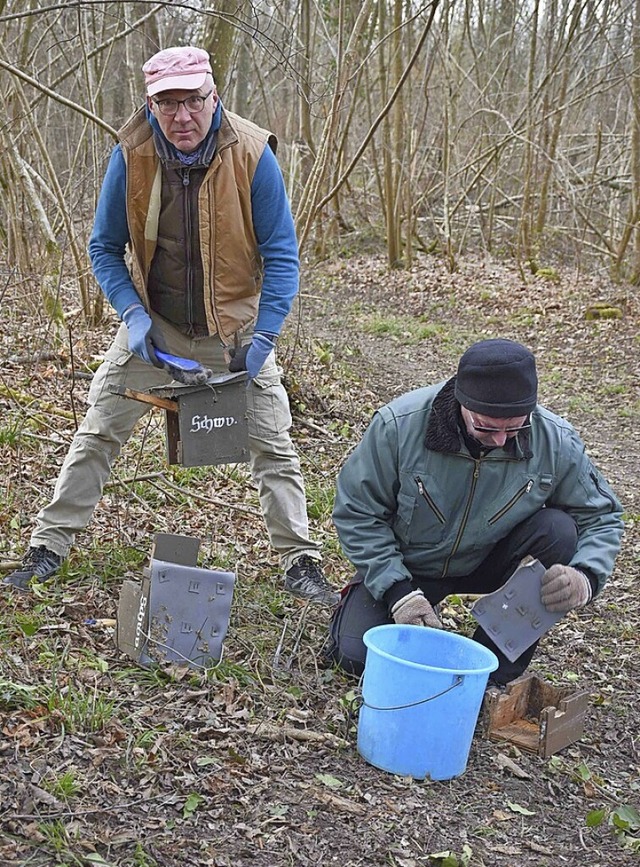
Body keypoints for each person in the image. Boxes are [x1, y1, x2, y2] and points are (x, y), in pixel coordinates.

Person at [4, 45, 339, 606]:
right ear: (150, 104)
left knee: (274, 447)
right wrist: (133, 315)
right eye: (167, 104)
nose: (183, 116)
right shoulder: (131, 154)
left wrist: (265, 336)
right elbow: (104, 247)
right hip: (154, 328)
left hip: (235, 331)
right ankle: (48, 547)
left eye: (193, 101)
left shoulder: (253, 155)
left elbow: (282, 255)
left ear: (214, 96)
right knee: (98, 431)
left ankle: (300, 561)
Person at [326, 338, 623, 683]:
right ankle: (393, 605)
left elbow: (601, 515)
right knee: (354, 658)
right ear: (461, 403)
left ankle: (492, 667)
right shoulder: (399, 426)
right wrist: (398, 593)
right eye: (486, 427)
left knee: (558, 529)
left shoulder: (554, 441)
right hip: (409, 564)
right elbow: (357, 511)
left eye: (514, 428)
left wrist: (586, 575)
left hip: (488, 559)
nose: (500, 440)